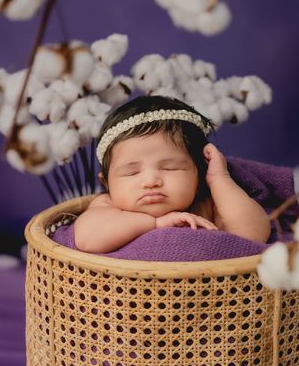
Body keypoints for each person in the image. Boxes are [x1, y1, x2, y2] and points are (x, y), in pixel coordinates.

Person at [74, 95, 271, 253]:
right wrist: (155, 223)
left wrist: (220, 179)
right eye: (132, 172)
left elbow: (253, 236)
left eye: (170, 168)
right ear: (106, 183)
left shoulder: (207, 204)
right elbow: (86, 238)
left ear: (199, 173)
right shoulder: (107, 205)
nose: (151, 181)